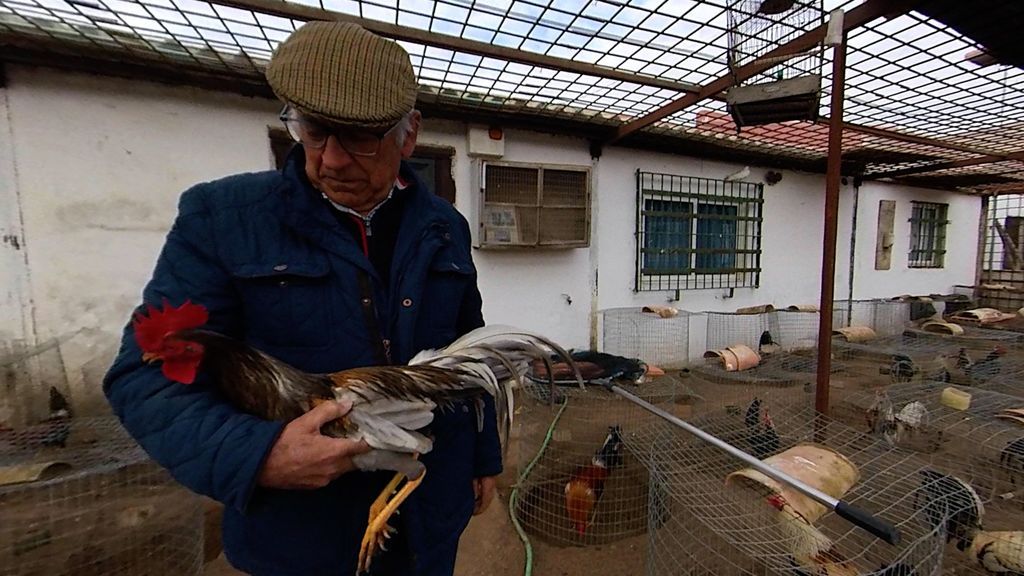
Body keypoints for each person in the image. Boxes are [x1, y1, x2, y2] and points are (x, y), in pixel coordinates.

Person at [103, 21, 500, 575]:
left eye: (359, 137)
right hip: (304, 540)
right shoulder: (222, 218)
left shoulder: (445, 226)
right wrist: (257, 454)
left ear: (408, 135)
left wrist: (483, 459)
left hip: (429, 513)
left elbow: (469, 357)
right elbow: (141, 377)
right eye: (313, 130)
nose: (332, 159)